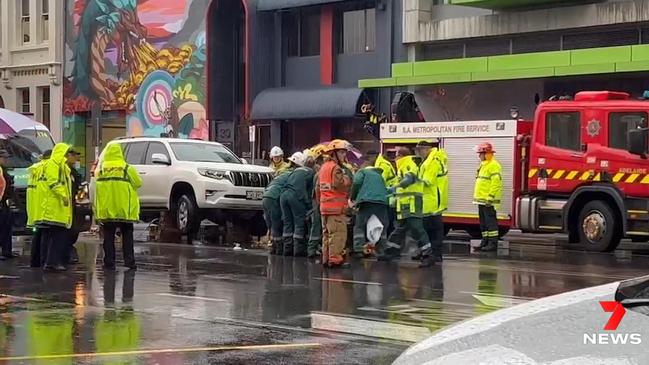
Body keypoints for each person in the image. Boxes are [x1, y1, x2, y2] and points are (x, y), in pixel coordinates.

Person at [94, 143, 142, 270]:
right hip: (124, 209)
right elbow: (138, 183)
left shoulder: (101, 170)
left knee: (108, 237)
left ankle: (109, 262)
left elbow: (96, 185)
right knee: (127, 236)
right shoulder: (126, 168)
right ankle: (129, 262)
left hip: (108, 209)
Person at [383, 147, 432, 268]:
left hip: (412, 202)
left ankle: (428, 255)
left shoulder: (408, 163)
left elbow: (409, 179)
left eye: (396, 155)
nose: (395, 158)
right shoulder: (403, 165)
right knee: (400, 228)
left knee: (417, 228)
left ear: (401, 156)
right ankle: (391, 252)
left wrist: (394, 188)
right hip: (405, 202)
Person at [36, 143, 75, 272]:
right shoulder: (54, 165)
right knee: (57, 236)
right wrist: (64, 196)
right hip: (55, 208)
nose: (72, 156)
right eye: (69, 153)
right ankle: (52, 263)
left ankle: (49, 262)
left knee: (51, 236)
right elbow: (54, 182)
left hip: (57, 208)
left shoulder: (60, 166)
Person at [317, 140, 352, 268]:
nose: (344, 155)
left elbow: (317, 188)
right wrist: (347, 179)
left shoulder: (323, 167)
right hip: (336, 208)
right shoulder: (336, 168)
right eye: (342, 152)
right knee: (338, 235)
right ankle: (335, 259)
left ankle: (326, 258)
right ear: (334, 154)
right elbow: (339, 185)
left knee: (326, 234)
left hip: (324, 207)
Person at [349, 160, 389, 259]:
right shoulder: (379, 175)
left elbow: (356, 182)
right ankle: (382, 250)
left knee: (360, 225)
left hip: (366, 201)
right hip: (382, 202)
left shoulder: (363, 172)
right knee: (382, 226)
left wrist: (352, 197)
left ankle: (359, 249)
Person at [415, 140, 445, 266]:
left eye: (420, 150)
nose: (418, 153)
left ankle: (430, 255)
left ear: (426, 149)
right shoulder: (432, 160)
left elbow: (427, 181)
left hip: (430, 200)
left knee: (429, 230)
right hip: (432, 200)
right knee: (435, 230)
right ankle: (435, 254)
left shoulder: (432, 162)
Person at [279, 151, 313, 257]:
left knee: (287, 222)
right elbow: (310, 190)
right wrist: (308, 205)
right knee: (299, 222)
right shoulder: (310, 172)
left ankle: (287, 249)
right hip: (295, 196)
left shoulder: (293, 172)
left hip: (283, 196)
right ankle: (298, 250)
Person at [473, 142, 502, 252]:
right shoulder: (484, 164)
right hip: (481, 199)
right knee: (483, 222)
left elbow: (496, 183)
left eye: (480, 153)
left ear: (486, 154)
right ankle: (485, 241)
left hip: (488, 200)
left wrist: (490, 197)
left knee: (490, 222)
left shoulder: (493, 165)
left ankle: (492, 243)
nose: (479, 156)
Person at [262, 164, 294, 255]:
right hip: (274, 198)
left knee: (271, 224)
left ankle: (274, 247)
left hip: (265, 196)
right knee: (277, 224)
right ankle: (279, 249)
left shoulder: (281, 175)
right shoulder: (292, 175)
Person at [28, 149, 51, 267]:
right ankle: (43, 261)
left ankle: (34, 261)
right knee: (45, 235)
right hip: (44, 207)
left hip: (34, 206)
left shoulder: (35, 169)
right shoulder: (47, 168)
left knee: (37, 235)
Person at [307, 144, 327, 258]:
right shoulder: (320, 173)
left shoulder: (317, 174)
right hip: (320, 202)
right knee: (318, 225)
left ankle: (313, 249)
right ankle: (313, 249)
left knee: (317, 226)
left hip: (319, 202)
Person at [63, 149, 83, 265]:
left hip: (73, 203)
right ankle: (67, 255)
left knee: (72, 230)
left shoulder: (73, 171)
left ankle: (68, 253)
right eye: (73, 155)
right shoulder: (65, 170)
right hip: (65, 204)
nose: (75, 158)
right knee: (66, 231)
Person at [0, 150, 16, 260]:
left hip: (5, 202)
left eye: (7, 158)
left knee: (6, 227)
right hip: (1, 202)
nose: (6, 160)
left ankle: (7, 251)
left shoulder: (4, 170)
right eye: (4, 158)